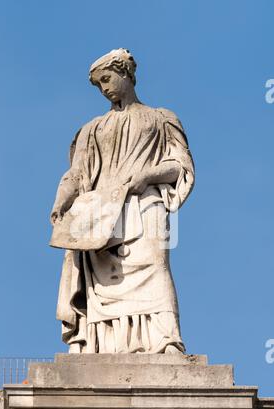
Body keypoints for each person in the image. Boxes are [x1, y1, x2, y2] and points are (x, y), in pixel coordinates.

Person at [50, 48, 195, 354]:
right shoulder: (92, 129)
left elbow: (179, 165)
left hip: (145, 202)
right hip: (100, 212)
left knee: (156, 264)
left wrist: (147, 175)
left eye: (106, 79)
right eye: (98, 85)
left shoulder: (161, 119)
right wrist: (60, 202)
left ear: (125, 73)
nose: (104, 89)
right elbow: (76, 173)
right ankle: (99, 344)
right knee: (105, 283)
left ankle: (166, 339)